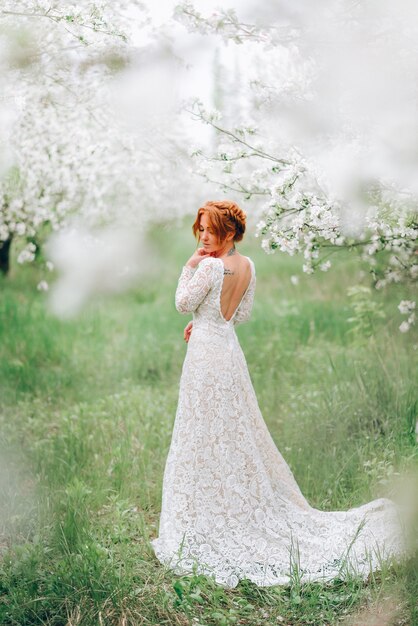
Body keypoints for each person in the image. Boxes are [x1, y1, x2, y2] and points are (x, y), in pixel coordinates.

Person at [151, 200, 405, 588]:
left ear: (230, 233)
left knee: (202, 431)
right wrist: (203, 323)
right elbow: (240, 315)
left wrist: (189, 268)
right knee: (228, 431)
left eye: (212, 230)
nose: (203, 236)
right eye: (200, 228)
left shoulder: (206, 265)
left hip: (206, 357)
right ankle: (230, 501)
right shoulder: (248, 265)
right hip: (227, 350)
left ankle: (213, 512)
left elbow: (182, 302)